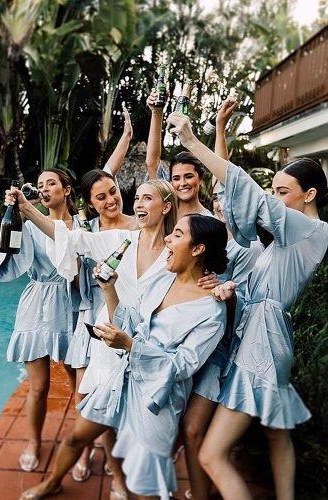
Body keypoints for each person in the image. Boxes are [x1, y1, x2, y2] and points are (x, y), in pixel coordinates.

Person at [7, 177, 217, 499]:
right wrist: (26, 208)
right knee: (84, 426)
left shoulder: (176, 257)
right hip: (110, 340)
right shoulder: (123, 241)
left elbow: (197, 287)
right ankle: (53, 481)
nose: (139, 204)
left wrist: (221, 289)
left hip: (148, 355)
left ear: (165, 207)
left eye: (148, 198)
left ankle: (127, 477)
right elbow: (71, 238)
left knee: (139, 449)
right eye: (138, 198)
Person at [166, 109, 328, 500]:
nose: (274, 198)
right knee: (276, 433)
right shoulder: (282, 240)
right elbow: (237, 217)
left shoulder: (312, 230)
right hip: (266, 338)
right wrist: (230, 287)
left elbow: (244, 192)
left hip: (262, 345)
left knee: (211, 454)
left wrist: (192, 142)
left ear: (310, 195)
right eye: (272, 190)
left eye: (282, 192)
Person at [90, 213, 229, 499]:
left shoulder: (212, 311)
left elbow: (182, 366)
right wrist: (109, 289)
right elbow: (132, 325)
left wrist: (131, 347)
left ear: (198, 249)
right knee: (132, 471)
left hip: (159, 403)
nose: (167, 238)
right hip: (129, 388)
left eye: (177, 234)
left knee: (148, 484)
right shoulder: (162, 280)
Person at [182, 99, 263, 500]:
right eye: (216, 205)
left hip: (226, 348)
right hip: (193, 338)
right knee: (191, 432)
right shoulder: (202, 239)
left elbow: (226, 177)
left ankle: (204, 491)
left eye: (224, 203)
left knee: (199, 432)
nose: (220, 206)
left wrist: (217, 128)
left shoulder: (245, 248)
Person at [65, 107, 135, 483]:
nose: (110, 200)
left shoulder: (139, 224)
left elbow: (106, 176)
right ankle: (93, 451)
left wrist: (126, 137)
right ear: (90, 204)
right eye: (100, 198)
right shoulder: (86, 229)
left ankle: (113, 459)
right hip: (90, 318)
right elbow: (100, 178)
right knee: (86, 396)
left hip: (124, 317)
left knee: (117, 394)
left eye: (113, 193)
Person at [0, 168, 80, 473]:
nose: (44, 189)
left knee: (77, 383)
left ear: (66, 190)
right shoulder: (28, 226)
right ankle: (33, 441)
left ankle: (81, 445)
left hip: (70, 303)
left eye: (51, 183)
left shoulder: (82, 225)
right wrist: (12, 211)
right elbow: (3, 249)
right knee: (39, 386)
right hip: (35, 303)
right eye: (40, 185)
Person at [146, 90, 212, 218]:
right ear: (170, 181)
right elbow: (152, 163)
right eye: (176, 178)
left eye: (188, 176)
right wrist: (156, 111)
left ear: (200, 179)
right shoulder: (166, 210)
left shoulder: (208, 220)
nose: (182, 183)